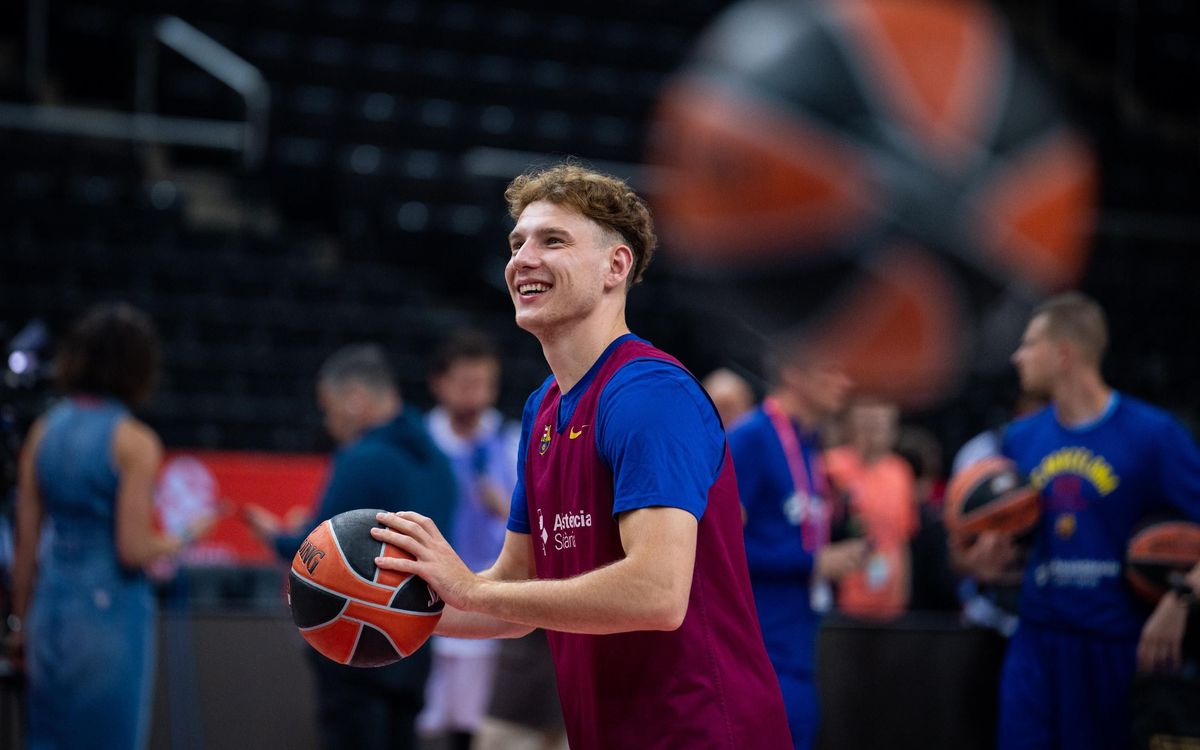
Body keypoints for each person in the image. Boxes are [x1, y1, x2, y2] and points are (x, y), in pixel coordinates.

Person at [371, 163, 792, 750]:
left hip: (703, 735)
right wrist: (374, 608)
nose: (523, 259)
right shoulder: (543, 407)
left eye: (553, 240)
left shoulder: (650, 394)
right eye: (516, 243)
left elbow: (657, 593)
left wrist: (471, 589)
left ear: (615, 267)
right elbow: (515, 596)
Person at [961, 292, 1200, 750]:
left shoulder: (1154, 435)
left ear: (1063, 354)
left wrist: (1180, 599)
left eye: (1030, 344)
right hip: (1036, 642)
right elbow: (999, 546)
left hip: (1117, 644)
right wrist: (989, 559)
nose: (1017, 356)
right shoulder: (1018, 439)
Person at [11, 302, 210, 750]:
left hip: (50, 609)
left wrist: (21, 621)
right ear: (140, 366)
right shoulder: (135, 442)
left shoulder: (43, 430)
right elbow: (132, 549)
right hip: (107, 617)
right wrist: (184, 536)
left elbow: (26, 544)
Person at [244, 343, 455, 750]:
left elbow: (317, 551)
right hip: (415, 641)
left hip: (357, 639)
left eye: (329, 408)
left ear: (355, 398)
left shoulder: (363, 458)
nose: (328, 422)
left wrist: (276, 536)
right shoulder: (437, 460)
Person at [417, 330, 556, 750]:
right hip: (427, 598)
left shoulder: (511, 441)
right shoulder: (421, 444)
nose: (476, 395)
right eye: (466, 383)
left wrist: (502, 506)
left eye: (485, 384)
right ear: (439, 383)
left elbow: (539, 520)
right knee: (426, 723)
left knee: (480, 727)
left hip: (490, 600)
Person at [727, 352, 870, 750]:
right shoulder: (751, 438)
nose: (843, 381)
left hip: (798, 645)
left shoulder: (808, 444)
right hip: (757, 650)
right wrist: (811, 562)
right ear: (793, 373)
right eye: (830, 368)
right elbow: (717, 549)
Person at [825, 398, 918, 620]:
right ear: (852, 423)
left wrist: (904, 595)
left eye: (881, 421)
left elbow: (903, 539)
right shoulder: (831, 465)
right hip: (842, 598)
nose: (875, 428)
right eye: (867, 420)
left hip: (889, 600)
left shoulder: (900, 471)